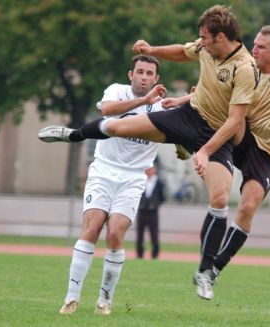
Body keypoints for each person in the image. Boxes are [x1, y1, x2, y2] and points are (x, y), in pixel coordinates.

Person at [38, 5, 258, 300]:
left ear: (220, 37)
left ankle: (205, 272)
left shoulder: (245, 69)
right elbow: (183, 51)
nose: (200, 42)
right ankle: (73, 134)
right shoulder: (206, 48)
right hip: (188, 116)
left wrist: (204, 151)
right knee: (117, 127)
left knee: (220, 199)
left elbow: (234, 120)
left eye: (204, 37)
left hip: (215, 135)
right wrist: (152, 48)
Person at [163, 25, 270, 299]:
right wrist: (181, 102)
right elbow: (216, 97)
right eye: (254, 44)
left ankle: (213, 269)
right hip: (242, 138)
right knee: (234, 117)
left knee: (246, 209)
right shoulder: (245, 70)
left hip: (268, 155)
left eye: (261, 46)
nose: (254, 49)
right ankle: (193, 143)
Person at [53, 54, 166, 316]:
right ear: (131, 74)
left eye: (150, 73)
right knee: (92, 228)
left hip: (134, 177)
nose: (144, 77)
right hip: (103, 170)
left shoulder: (163, 107)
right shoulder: (117, 90)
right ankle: (71, 298)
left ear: (156, 78)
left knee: (115, 233)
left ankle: (104, 300)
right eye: (140, 71)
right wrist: (144, 101)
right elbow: (106, 111)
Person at [136, 164, 165, 259]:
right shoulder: (141, 181)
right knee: (140, 233)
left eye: (151, 169)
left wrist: (155, 204)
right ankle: (139, 254)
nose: (149, 171)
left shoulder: (159, 182)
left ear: (154, 170)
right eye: (147, 169)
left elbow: (162, 197)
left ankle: (155, 254)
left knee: (154, 234)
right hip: (142, 211)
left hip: (153, 212)